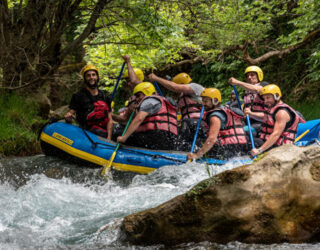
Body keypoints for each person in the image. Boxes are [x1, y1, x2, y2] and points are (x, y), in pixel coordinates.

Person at [187, 88, 250, 161]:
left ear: (215, 101)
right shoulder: (223, 109)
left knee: (198, 144)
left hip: (228, 149)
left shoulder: (215, 117)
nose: (203, 104)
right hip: (237, 147)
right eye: (202, 101)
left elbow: (212, 139)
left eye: (206, 101)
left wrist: (197, 155)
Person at [148, 72, 206, 150]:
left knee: (184, 132)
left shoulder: (196, 87)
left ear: (181, 84)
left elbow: (174, 87)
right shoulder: (181, 97)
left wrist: (156, 78)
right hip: (188, 123)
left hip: (199, 122)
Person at [246, 84, 306, 157]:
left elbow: (276, 134)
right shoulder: (273, 108)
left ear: (276, 96)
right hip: (270, 142)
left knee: (249, 142)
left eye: (268, 98)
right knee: (247, 136)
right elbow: (265, 118)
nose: (265, 101)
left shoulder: (281, 113)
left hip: (280, 147)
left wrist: (259, 150)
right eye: (264, 98)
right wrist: (250, 114)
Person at [117, 82, 178, 150]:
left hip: (155, 137)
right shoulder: (162, 101)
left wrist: (124, 137)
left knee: (118, 133)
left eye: (138, 96)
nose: (136, 99)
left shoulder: (149, 100)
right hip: (170, 140)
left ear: (147, 92)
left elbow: (139, 119)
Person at [64, 64, 113, 140]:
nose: (91, 77)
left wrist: (109, 137)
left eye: (93, 75)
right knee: (98, 132)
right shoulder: (78, 96)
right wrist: (68, 116)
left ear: (97, 77)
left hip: (104, 131)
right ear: (85, 78)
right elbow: (71, 112)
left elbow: (110, 119)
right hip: (87, 132)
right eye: (88, 75)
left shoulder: (105, 97)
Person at [228, 66, 269, 133]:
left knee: (242, 131)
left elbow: (256, 89)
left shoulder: (265, 85)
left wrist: (238, 82)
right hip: (248, 121)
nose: (249, 77)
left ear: (259, 75)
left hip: (262, 122)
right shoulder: (247, 91)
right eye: (247, 76)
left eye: (252, 75)